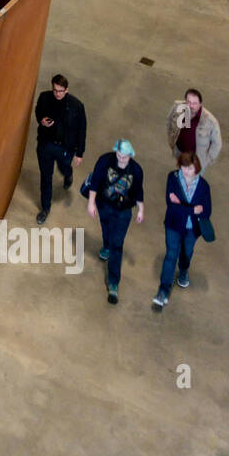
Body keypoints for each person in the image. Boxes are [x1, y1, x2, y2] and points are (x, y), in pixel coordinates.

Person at [86, 139, 144, 304]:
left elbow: (139, 191)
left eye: (125, 157)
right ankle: (106, 246)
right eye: (119, 155)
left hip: (124, 211)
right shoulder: (105, 161)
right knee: (106, 229)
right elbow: (95, 182)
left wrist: (141, 209)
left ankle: (113, 283)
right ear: (115, 152)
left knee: (117, 245)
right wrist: (91, 202)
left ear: (130, 155)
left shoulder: (136, 170)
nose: (121, 159)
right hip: (104, 205)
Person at [152, 152, 212, 309]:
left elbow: (206, 211)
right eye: (184, 167)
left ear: (196, 168)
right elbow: (171, 206)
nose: (186, 171)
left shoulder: (204, 186)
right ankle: (163, 291)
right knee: (171, 256)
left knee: (187, 253)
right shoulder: (172, 179)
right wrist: (193, 210)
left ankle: (184, 270)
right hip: (173, 225)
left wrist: (181, 206)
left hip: (192, 229)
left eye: (190, 168)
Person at [33, 73, 86, 225]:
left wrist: (79, 153)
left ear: (66, 90)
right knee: (46, 177)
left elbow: (82, 130)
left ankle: (68, 174)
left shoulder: (76, 106)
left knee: (64, 167)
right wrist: (41, 120)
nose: (57, 94)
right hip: (45, 145)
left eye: (60, 91)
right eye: (55, 90)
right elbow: (38, 111)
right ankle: (45, 209)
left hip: (65, 148)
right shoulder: (44, 98)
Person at [166, 88, 221, 171]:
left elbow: (217, 144)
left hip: (196, 160)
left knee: (194, 180)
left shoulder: (210, 121)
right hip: (180, 153)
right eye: (189, 102)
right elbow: (169, 121)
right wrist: (172, 140)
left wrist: (206, 161)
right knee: (181, 174)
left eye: (195, 103)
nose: (191, 106)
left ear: (200, 104)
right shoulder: (178, 108)